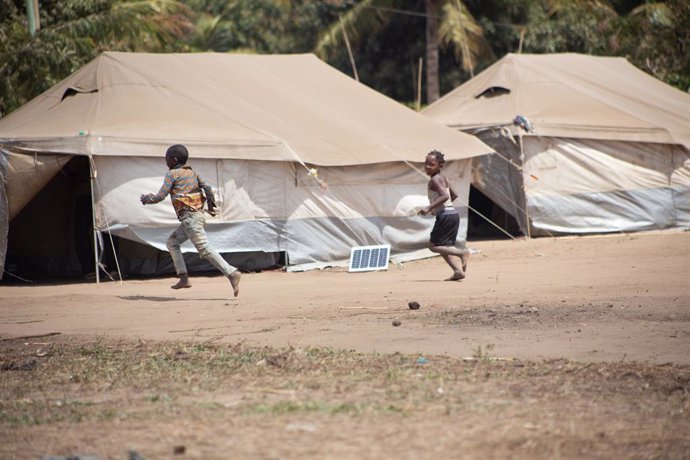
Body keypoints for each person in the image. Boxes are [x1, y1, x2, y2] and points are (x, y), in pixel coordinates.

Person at [140, 144, 241, 296]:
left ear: (173, 160)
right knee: (172, 243)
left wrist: (148, 198)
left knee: (205, 249)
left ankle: (231, 272)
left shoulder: (172, 174)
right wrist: (211, 203)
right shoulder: (192, 172)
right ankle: (183, 277)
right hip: (195, 216)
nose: (165, 161)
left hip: (190, 219)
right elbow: (207, 187)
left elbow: (160, 196)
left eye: (167, 158)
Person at [418, 149, 470, 281]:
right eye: (426, 164)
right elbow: (454, 195)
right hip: (453, 213)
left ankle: (462, 253)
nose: (428, 167)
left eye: (432, 164)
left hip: (445, 216)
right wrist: (445, 207)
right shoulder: (444, 178)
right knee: (444, 248)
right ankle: (458, 271)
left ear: (440, 165)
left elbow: (445, 195)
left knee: (433, 246)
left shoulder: (434, 180)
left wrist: (429, 207)